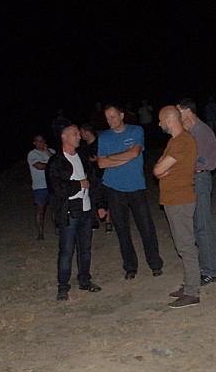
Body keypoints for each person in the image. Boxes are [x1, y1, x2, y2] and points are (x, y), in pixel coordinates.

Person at [97, 103, 164, 279]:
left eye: (112, 117)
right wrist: (123, 156)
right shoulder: (104, 137)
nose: (110, 121)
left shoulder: (136, 131)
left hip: (135, 186)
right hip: (114, 188)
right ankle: (130, 266)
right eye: (107, 118)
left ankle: (155, 264)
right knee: (122, 229)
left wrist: (112, 158)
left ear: (121, 115)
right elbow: (101, 163)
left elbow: (135, 153)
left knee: (146, 227)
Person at [46, 125, 103, 301]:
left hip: (86, 209)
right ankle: (63, 287)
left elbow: (93, 182)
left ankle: (85, 280)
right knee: (67, 250)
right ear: (64, 137)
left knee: (85, 249)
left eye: (79, 133)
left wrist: (100, 204)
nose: (79, 136)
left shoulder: (82, 158)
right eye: (75, 134)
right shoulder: (56, 162)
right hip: (69, 210)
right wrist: (78, 185)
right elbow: (55, 188)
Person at [154, 106, 200, 308]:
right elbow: (159, 167)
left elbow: (158, 169)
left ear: (169, 119)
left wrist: (161, 171)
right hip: (173, 199)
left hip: (180, 199)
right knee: (182, 245)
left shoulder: (183, 141)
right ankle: (189, 285)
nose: (158, 124)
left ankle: (192, 292)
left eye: (160, 120)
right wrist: (160, 170)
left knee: (186, 246)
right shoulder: (174, 141)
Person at [178, 98, 216, 286]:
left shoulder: (202, 131)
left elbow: (201, 160)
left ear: (188, 111)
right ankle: (204, 267)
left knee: (203, 226)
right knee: (197, 226)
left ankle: (210, 270)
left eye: (179, 111)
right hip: (192, 180)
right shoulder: (189, 131)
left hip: (201, 179)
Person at [79, 123, 112, 232]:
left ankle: (108, 222)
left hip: (102, 175)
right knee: (91, 197)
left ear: (87, 132)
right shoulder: (83, 147)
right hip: (90, 176)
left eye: (82, 132)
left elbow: (109, 157)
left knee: (105, 198)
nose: (80, 135)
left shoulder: (100, 144)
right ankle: (94, 222)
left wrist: (99, 159)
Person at [28, 134, 55, 240]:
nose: (40, 143)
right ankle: (40, 233)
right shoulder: (32, 154)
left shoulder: (51, 151)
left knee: (55, 208)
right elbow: (38, 166)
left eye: (42, 141)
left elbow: (57, 161)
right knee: (40, 209)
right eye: (38, 141)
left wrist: (47, 151)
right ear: (34, 143)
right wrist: (51, 166)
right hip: (40, 186)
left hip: (53, 184)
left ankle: (58, 229)